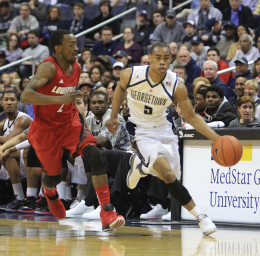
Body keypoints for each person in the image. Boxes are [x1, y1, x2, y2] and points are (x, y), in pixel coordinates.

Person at [105, 42, 219, 236]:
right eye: (158, 58)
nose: (162, 62)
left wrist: (216, 138)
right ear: (150, 58)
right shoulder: (130, 75)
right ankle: (201, 216)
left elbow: (190, 116)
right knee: (167, 175)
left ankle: (140, 166)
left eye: (166, 59)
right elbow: (119, 89)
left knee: (174, 176)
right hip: (142, 131)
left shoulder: (176, 85)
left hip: (165, 130)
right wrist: (114, 116)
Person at [20, 29, 125, 231]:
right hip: (46, 130)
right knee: (54, 175)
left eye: (76, 44)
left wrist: (67, 105)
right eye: (71, 44)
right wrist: (59, 99)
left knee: (94, 154)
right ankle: (49, 190)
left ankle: (106, 211)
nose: (77, 48)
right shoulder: (47, 68)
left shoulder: (76, 67)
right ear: (58, 48)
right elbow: (25, 96)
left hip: (70, 123)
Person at [0, 89, 32, 211]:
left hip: (31, 158)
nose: (9, 102)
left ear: (17, 103)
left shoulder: (23, 119)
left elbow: (10, 139)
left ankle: (19, 197)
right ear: (1, 102)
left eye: (12, 100)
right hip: (20, 157)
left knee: (8, 153)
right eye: (6, 100)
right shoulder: (4, 123)